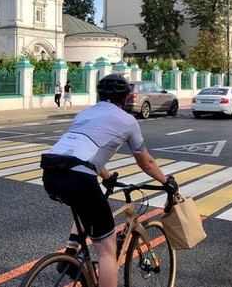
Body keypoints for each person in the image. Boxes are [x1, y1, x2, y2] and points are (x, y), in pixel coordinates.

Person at [40, 74, 178, 287]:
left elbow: (87, 151)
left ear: (99, 95)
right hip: (79, 178)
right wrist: (165, 182)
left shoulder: (85, 112)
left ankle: (70, 254)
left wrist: (107, 177)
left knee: (84, 205)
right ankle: (76, 260)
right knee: (107, 250)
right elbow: (147, 163)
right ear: (125, 99)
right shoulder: (128, 121)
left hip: (51, 172)